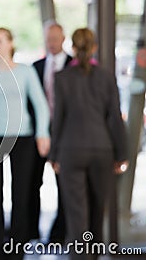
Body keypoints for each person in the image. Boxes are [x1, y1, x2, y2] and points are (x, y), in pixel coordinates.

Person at [49, 28, 128, 260]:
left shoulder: (62, 78)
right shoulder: (106, 76)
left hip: (70, 151)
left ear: (73, 48)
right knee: (96, 212)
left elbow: (58, 119)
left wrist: (54, 156)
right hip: (102, 150)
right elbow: (114, 117)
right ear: (94, 47)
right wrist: (122, 154)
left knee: (76, 215)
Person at [0, 27, 50, 259]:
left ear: (10, 43)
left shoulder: (26, 71)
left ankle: (18, 245)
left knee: (22, 192)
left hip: (22, 137)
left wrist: (42, 134)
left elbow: (40, 105)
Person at [31, 20, 71, 243]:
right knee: (32, 183)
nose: (51, 43)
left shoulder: (74, 66)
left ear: (63, 39)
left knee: (64, 186)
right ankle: (31, 232)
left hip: (65, 136)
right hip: (39, 135)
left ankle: (59, 233)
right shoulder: (36, 66)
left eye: (55, 39)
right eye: (48, 40)